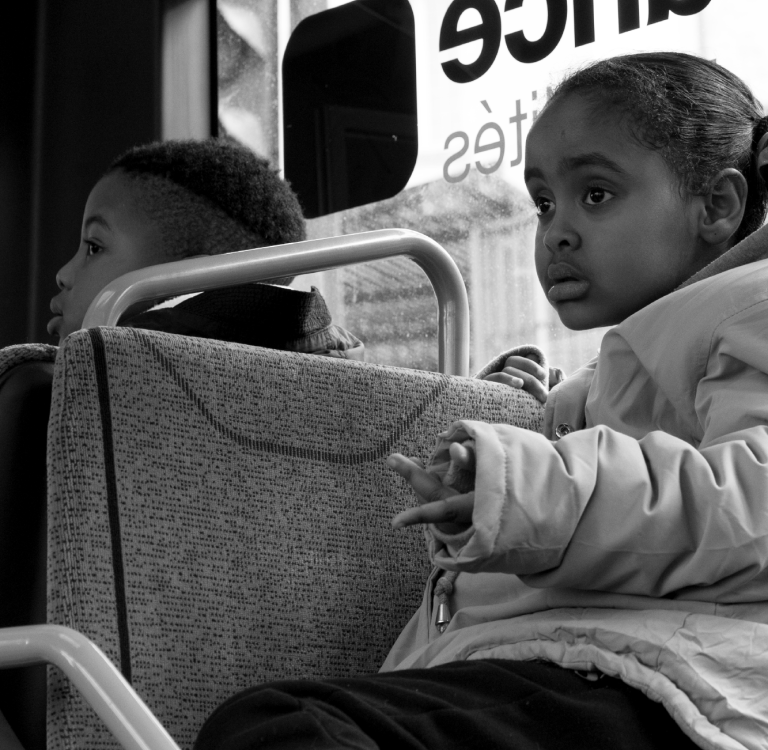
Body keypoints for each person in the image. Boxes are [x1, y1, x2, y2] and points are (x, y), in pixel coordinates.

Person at [193, 52, 768, 750]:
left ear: (717, 206)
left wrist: (528, 489)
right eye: (544, 203)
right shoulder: (615, 370)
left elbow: (752, 507)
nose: (556, 232)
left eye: (596, 194)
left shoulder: (752, 308)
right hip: (601, 663)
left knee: (285, 728)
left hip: (678, 683)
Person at [48, 138, 363, 359]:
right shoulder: (342, 371)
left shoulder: (90, 385)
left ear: (189, 280)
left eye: (93, 247)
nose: (63, 274)